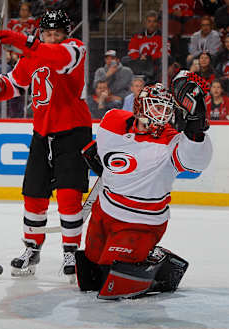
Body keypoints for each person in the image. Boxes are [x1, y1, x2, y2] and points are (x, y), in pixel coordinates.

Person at [75, 72, 212, 300]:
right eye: (157, 107)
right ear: (139, 106)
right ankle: (140, 257)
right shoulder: (112, 121)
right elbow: (107, 155)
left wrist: (196, 128)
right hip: (104, 212)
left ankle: (158, 260)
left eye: (167, 110)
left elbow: (197, 162)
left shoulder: (171, 141)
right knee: (91, 276)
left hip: (141, 223)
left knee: (113, 284)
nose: (163, 115)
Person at [0, 10, 92, 279]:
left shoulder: (75, 48)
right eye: (48, 34)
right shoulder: (31, 55)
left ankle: (71, 251)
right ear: (42, 33)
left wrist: (25, 41)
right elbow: (15, 84)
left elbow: (59, 59)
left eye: (57, 34)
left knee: (68, 197)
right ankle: (32, 248)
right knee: (34, 195)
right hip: (42, 132)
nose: (52, 39)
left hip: (73, 131)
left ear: (66, 34)